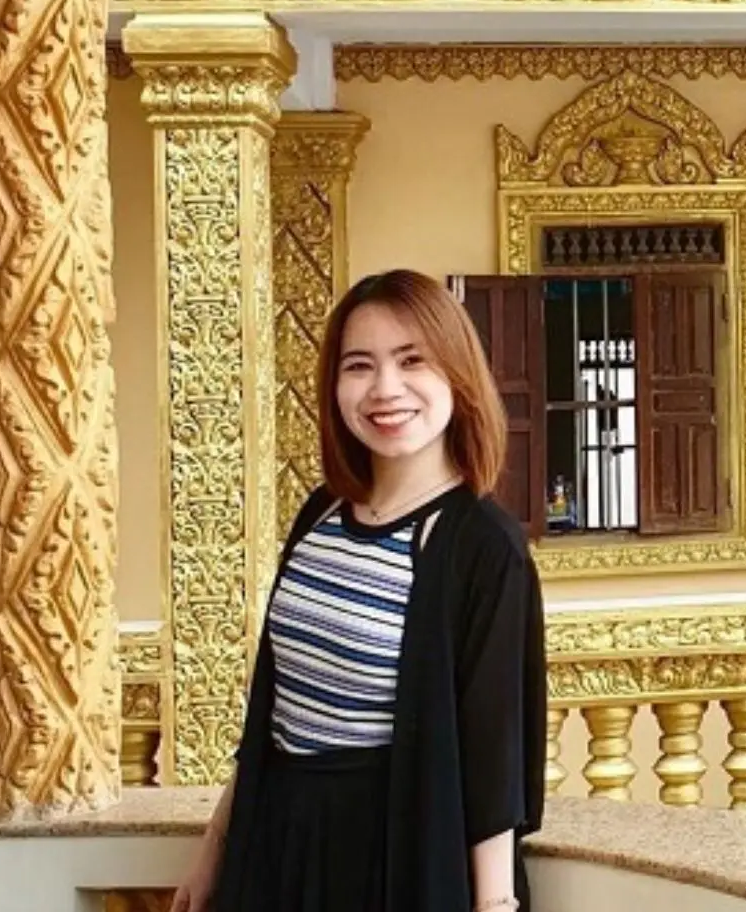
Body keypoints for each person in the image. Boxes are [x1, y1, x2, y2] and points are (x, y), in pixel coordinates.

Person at [170, 269, 547, 912]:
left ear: (457, 375)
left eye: (411, 361)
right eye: (359, 366)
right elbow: (276, 708)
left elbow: (493, 756)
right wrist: (214, 853)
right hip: (275, 842)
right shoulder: (321, 511)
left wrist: (494, 905)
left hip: (387, 856)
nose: (385, 389)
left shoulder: (482, 546)